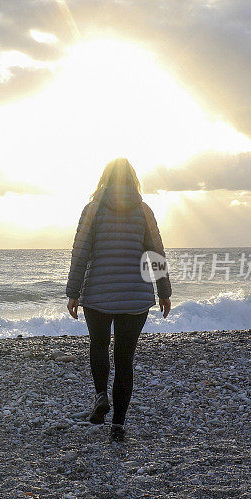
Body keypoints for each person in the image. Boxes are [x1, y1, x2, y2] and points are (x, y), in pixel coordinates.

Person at [65, 158, 172, 442]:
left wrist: (73, 293)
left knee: (99, 346)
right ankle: (118, 425)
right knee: (125, 359)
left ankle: (101, 396)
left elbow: (80, 253)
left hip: (97, 293)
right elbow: (156, 253)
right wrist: (164, 291)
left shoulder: (92, 210)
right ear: (133, 180)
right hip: (135, 296)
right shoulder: (144, 210)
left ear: (105, 178)